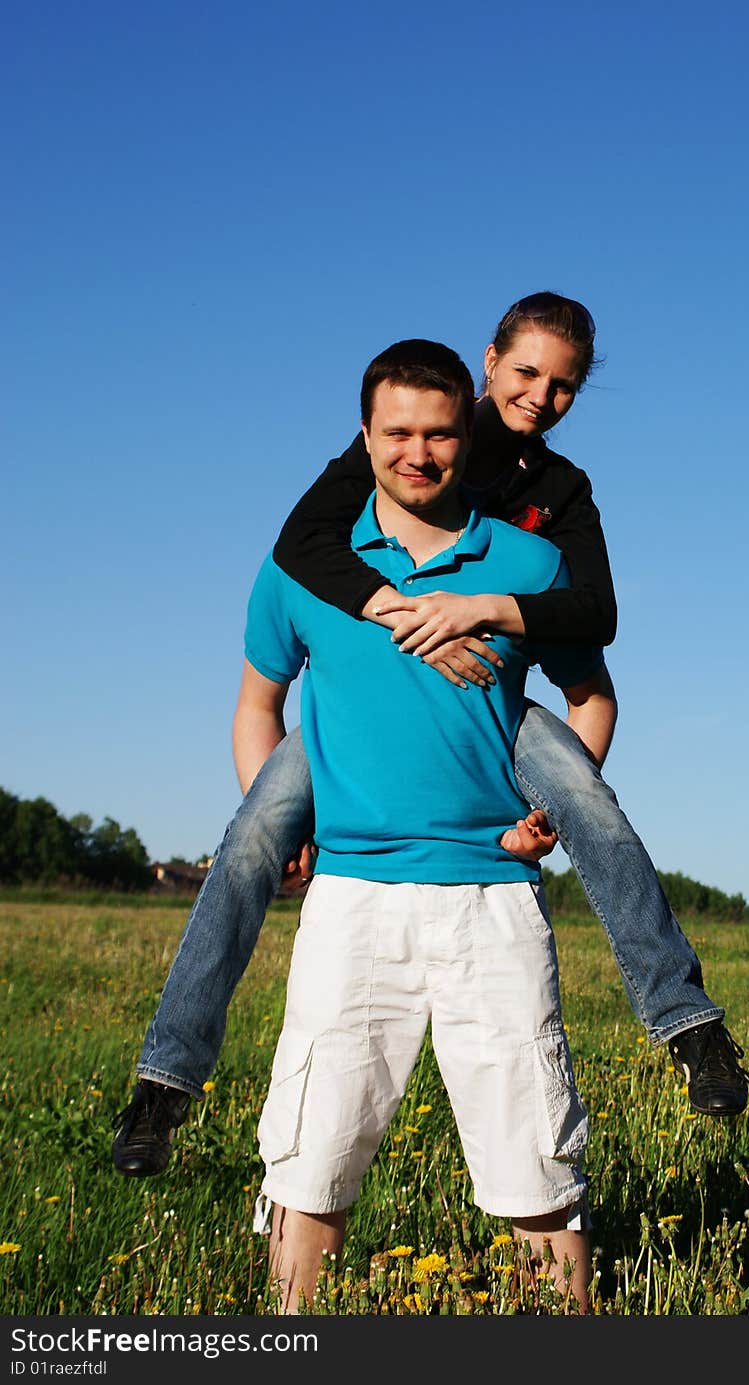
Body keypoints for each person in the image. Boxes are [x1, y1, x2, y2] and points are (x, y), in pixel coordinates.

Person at [112, 291, 749, 1182]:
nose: (540, 396)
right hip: (361, 706)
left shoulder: (560, 494)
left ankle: (689, 1024)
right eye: (526, 371)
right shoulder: (424, 427)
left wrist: (479, 612)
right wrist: (402, 614)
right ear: (488, 363)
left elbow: (594, 618)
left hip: (499, 706)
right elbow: (302, 541)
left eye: (564, 385)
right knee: (253, 834)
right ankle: (164, 1081)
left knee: (594, 809)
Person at [248, 339, 600, 1311]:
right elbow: (255, 703)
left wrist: (555, 809)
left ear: (467, 433)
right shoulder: (303, 565)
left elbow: (590, 692)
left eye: (439, 432)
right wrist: (284, 829)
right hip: (351, 895)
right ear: (364, 435)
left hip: (493, 896)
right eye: (396, 432)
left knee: (537, 1154)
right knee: (312, 1150)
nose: (418, 452)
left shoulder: (528, 560)